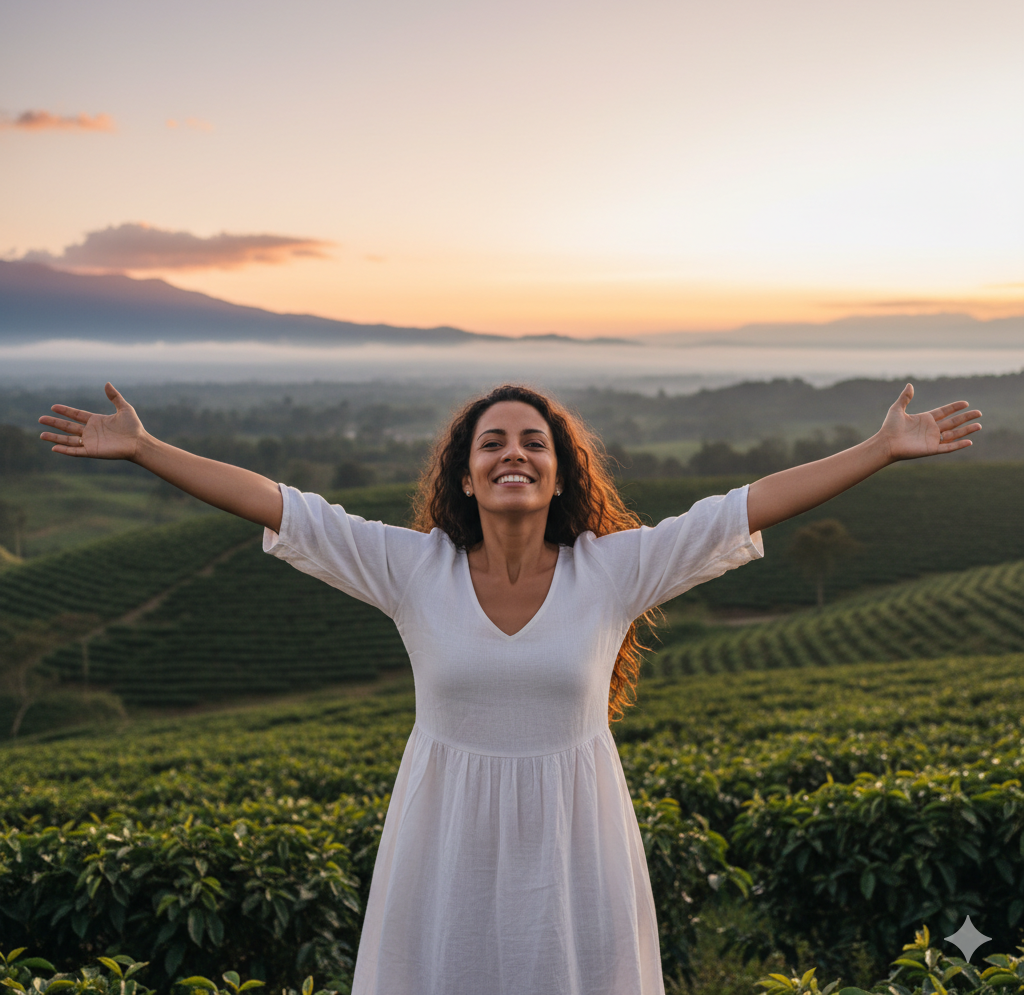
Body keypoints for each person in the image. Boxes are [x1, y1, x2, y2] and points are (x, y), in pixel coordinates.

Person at [39, 380, 980, 995]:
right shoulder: (412, 568)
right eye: (492, 442)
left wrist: (881, 448)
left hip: (576, 846)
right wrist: (147, 450)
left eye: (534, 440)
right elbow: (280, 506)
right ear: (465, 471)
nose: (513, 453)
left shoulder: (613, 570)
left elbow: (748, 506)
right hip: (444, 844)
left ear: (561, 469)